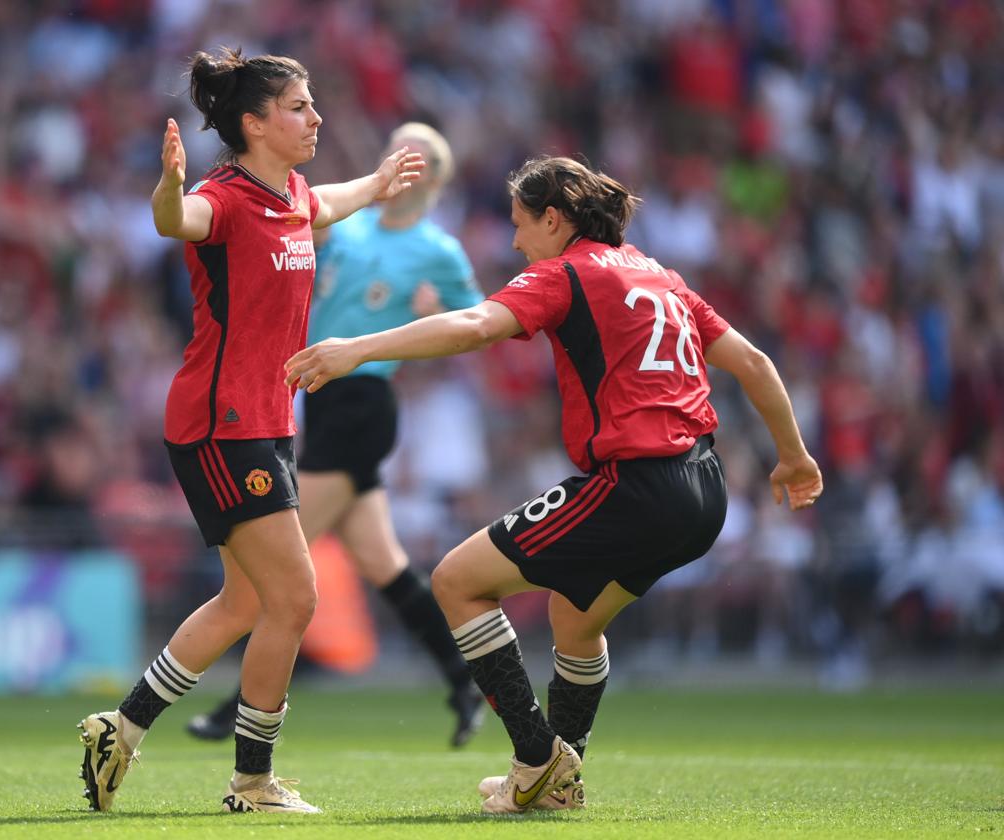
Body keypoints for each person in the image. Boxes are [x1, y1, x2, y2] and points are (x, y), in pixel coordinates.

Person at [285, 155, 824, 814]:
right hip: (706, 491)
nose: (514, 242)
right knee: (574, 617)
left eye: (520, 224)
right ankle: (555, 781)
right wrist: (793, 456)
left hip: (637, 483)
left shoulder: (567, 273)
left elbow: (475, 326)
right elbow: (754, 361)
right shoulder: (662, 276)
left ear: (553, 217)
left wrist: (359, 348)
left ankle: (537, 761)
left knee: (456, 580)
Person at [76, 46, 423, 816]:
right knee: (294, 599)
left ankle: (120, 730)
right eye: (299, 106)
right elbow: (179, 221)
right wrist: (167, 191)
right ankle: (253, 782)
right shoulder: (222, 198)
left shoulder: (293, 193)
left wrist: (378, 182)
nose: (315, 116)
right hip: (219, 424)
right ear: (254, 123)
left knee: (242, 604)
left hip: (261, 424)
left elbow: (324, 202)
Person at [186, 122, 486, 749]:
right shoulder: (347, 225)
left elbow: (480, 320)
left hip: (363, 403)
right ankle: (466, 680)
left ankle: (234, 709)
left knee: (277, 567)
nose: (402, 159)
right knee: (385, 564)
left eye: (420, 154)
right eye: (395, 145)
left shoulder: (440, 252)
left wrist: (438, 314)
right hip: (315, 400)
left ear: (435, 177)